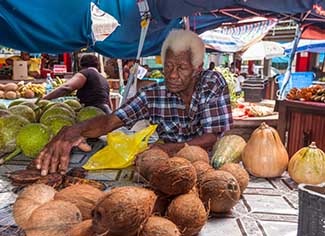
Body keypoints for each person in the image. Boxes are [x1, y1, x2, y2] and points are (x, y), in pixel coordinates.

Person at [35, 29, 233, 176]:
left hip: (209, 167)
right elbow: (111, 121)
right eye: (169, 66)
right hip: (168, 166)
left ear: (197, 69)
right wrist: (75, 130)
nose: (172, 75)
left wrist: (166, 149)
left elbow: (211, 137)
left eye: (181, 67)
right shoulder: (152, 95)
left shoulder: (211, 83)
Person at [43, 54, 112, 114]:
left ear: (81, 65)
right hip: (105, 113)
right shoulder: (103, 79)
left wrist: (45, 99)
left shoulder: (86, 73)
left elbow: (67, 87)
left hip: (92, 113)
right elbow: (109, 103)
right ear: (98, 66)